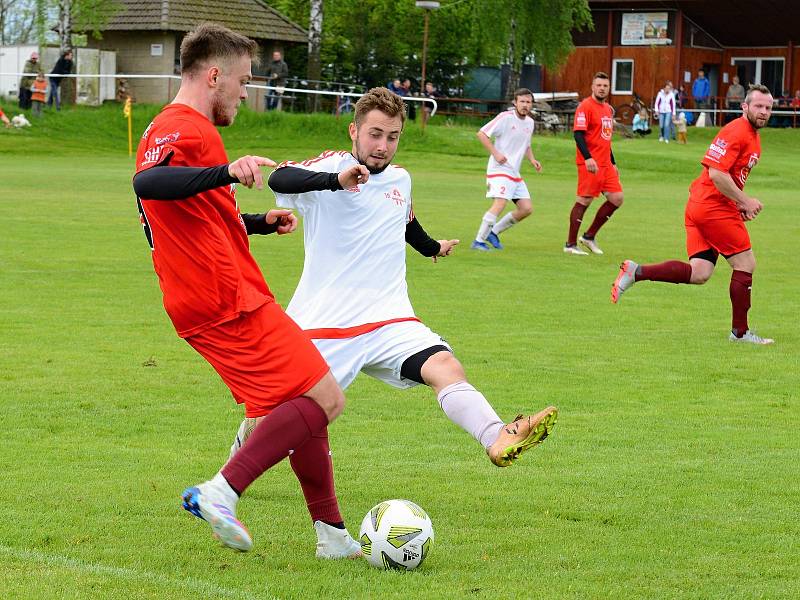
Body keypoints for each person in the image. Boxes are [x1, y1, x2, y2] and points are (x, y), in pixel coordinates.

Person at [230, 87, 557, 477]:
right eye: (375, 134)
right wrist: (336, 180)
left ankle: (496, 436)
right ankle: (229, 474)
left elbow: (403, 220)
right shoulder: (331, 167)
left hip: (390, 319)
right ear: (354, 130)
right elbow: (280, 179)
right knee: (273, 417)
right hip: (325, 324)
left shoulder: (401, 179)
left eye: (392, 136)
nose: (383, 146)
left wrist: (432, 246)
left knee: (445, 367)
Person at [131, 23, 359, 557]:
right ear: (214, 76)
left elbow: (189, 214)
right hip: (224, 296)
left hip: (206, 293)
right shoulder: (185, 127)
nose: (245, 92)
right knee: (326, 397)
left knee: (300, 400)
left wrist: (256, 222)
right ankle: (222, 490)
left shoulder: (172, 128)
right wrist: (225, 170)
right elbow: (148, 185)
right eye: (242, 81)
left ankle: (332, 536)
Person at [611, 85, 775, 345]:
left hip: (703, 204)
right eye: (758, 106)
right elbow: (716, 174)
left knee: (700, 272)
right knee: (746, 264)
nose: (764, 112)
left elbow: (727, 177)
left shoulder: (752, 135)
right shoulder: (736, 131)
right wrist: (745, 201)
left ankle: (636, 272)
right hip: (712, 208)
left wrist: (737, 204)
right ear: (744, 107)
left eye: (768, 107)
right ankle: (740, 333)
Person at [471, 88, 541, 251]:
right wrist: (496, 153)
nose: (525, 105)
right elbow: (481, 134)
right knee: (500, 203)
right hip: (499, 170)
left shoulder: (530, 123)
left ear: (531, 104)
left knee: (526, 209)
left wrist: (532, 160)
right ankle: (478, 241)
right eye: (522, 101)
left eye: (528, 102)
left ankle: (493, 232)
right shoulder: (505, 118)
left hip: (514, 173)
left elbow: (526, 144)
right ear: (515, 103)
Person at [564, 72, 623, 256]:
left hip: (606, 164)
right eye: (599, 85)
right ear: (592, 86)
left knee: (617, 198)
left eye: (605, 85)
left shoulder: (607, 109)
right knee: (584, 200)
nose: (602, 88)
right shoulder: (585, 107)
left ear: (609, 88)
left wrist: (613, 162)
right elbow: (578, 134)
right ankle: (570, 244)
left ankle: (589, 237)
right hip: (590, 163)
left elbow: (606, 138)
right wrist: (588, 158)